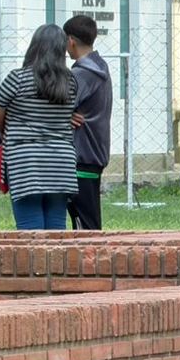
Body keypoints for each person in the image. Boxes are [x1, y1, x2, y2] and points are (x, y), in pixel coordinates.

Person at [0, 24, 79, 230]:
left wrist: (11, 125)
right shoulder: (70, 82)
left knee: (30, 228)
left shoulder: (17, 78)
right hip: (61, 161)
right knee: (57, 226)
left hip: (25, 160)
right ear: (62, 49)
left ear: (34, 46)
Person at [65, 14, 113, 230]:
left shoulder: (81, 74)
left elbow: (55, 107)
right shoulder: (100, 66)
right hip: (95, 153)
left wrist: (63, 115)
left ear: (70, 41)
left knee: (84, 227)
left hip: (80, 155)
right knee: (90, 221)